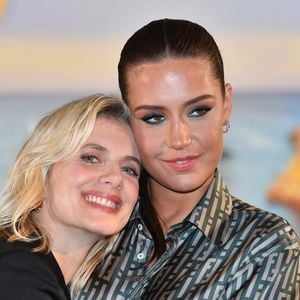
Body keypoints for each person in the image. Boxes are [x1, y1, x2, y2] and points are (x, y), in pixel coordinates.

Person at [77, 19, 300, 299]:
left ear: (226, 105)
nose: (179, 139)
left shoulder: (265, 246)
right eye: (154, 117)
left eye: (197, 111)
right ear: (129, 120)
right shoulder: (92, 217)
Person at [0, 94, 141, 299]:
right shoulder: (17, 273)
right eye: (91, 158)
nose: (115, 178)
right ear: (42, 169)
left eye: (129, 169)